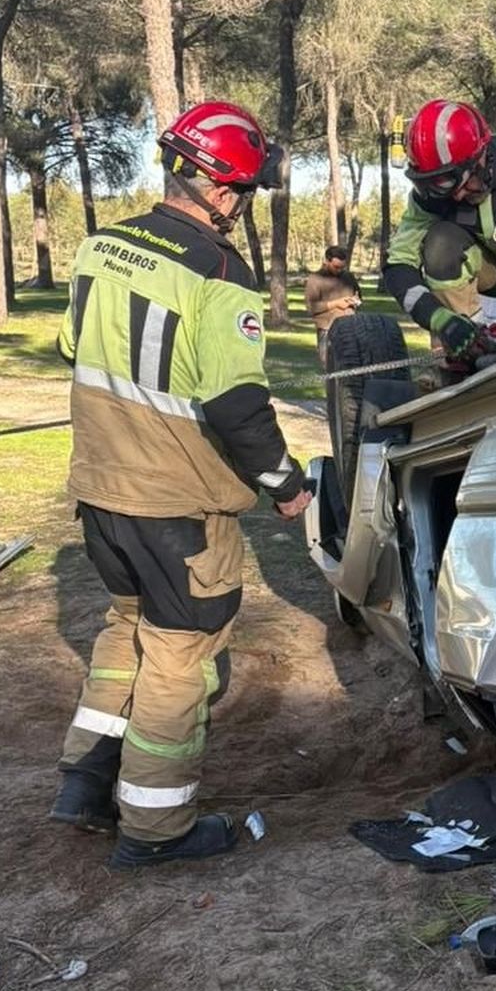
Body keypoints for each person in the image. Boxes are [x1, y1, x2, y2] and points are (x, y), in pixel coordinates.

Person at [50, 100, 311, 869]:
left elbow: (71, 347)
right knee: (178, 655)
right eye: (246, 192)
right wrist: (286, 484)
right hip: (178, 508)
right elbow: (235, 403)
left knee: (123, 634)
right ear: (225, 190)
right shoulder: (220, 270)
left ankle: (84, 783)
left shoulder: (100, 246)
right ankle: (155, 828)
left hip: (100, 492)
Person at [383, 99, 496, 375]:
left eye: (461, 182)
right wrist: (440, 319)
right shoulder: (431, 196)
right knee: (441, 244)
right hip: (492, 269)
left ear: (481, 157)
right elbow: (398, 263)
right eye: (440, 186)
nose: (456, 196)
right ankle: (472, 350)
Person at [305, 244, 361, 366]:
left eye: (342, 267)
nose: (339, 270)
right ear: (326, 261)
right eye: (336, 267)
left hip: (350, 326)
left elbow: (358, 296)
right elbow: (311, 307)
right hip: (327, 328)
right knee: (329, 366)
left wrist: (355, 301)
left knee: (351, 365)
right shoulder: (315, 279)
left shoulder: (348, 277)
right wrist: (336, 304)